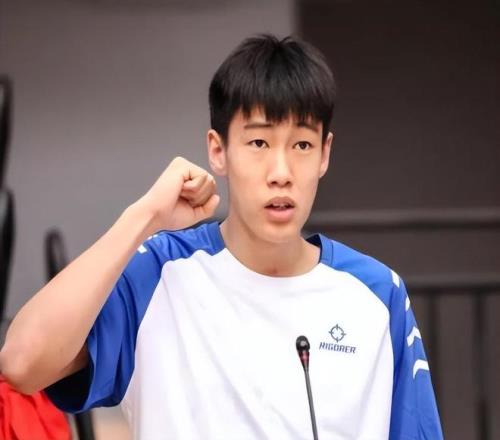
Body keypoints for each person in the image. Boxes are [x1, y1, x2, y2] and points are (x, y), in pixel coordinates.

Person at [0, 34, 443, 439]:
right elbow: (21, 363)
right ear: (218, 150)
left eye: (302, 146)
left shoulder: (377, 294)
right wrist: (144, 216)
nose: (281, 173)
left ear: (325, 154)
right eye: (259, 143)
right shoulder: (160, 273)